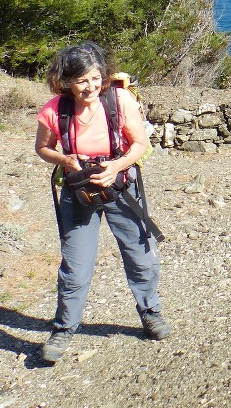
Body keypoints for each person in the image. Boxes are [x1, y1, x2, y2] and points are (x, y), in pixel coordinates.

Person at [34, 42, 171, 364]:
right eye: (82, 80)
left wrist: (115, 167)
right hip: (78, 193)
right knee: (76, 267)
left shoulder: (119, 100)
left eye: (95, 78)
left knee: (140, 255)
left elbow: (139, 144)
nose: (90, 87)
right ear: (65, 81)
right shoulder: (53, 110)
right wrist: (66, 160)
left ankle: (151, 312)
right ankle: (64, 328)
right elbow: (42, 148)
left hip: (121, 187)